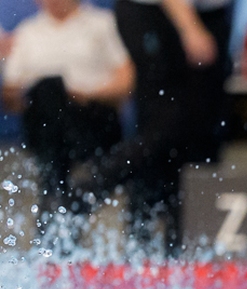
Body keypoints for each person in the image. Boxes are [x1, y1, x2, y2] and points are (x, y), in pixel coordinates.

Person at [81, 0, 229, 253]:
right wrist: (189, 27)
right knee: (163, 127)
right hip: (156, 11)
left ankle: (179, 242)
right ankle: (87, 191)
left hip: (205, 13)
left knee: (198, 134)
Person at [1, 0, 133, 209]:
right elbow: (11, 97)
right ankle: (62, 200)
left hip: (91, 117)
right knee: (48, 89)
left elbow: (127, 83)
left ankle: (53, 196)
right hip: (44, 120)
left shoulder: (102, 23)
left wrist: (81, 93)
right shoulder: (28, 32)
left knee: (53, 91)